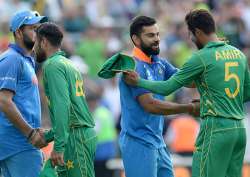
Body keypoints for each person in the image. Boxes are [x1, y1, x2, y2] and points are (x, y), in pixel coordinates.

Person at [124, 9, 250, 177]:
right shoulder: (238, 54)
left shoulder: (201, 57)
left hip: (215, 129)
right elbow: (247, 93)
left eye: (190, 35)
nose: (191, 40)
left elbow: (167, 88)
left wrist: (139, 81)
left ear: (197, 32)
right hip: (239, 131)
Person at [118, 15, 199, 177]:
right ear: (136, 39)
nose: (156, 39)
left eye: (157, 34)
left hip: (158, 141)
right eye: (150, 35)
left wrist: (212, 65)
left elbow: (188, 82)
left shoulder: (159, 62)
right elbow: (150, 105)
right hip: (138, 142)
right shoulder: (132, 67)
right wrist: (189, 108)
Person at [33, 22, 97, 177]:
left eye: (36, 42)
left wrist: (59, 147)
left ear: (44, 42)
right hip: (78, 134)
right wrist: (49, 136)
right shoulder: (69, 63)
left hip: (76, 136)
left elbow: (63, 106)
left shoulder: (52, 65)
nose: (34, 48)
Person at [0, 10, 48, 177]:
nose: (37, 33)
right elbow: (4, 101)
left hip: (21, 145)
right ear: (18, 32)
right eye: (32, 28)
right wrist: (30, 134)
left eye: (38, 28)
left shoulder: (25, 60)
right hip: (19, 145)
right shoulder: (12, 59)